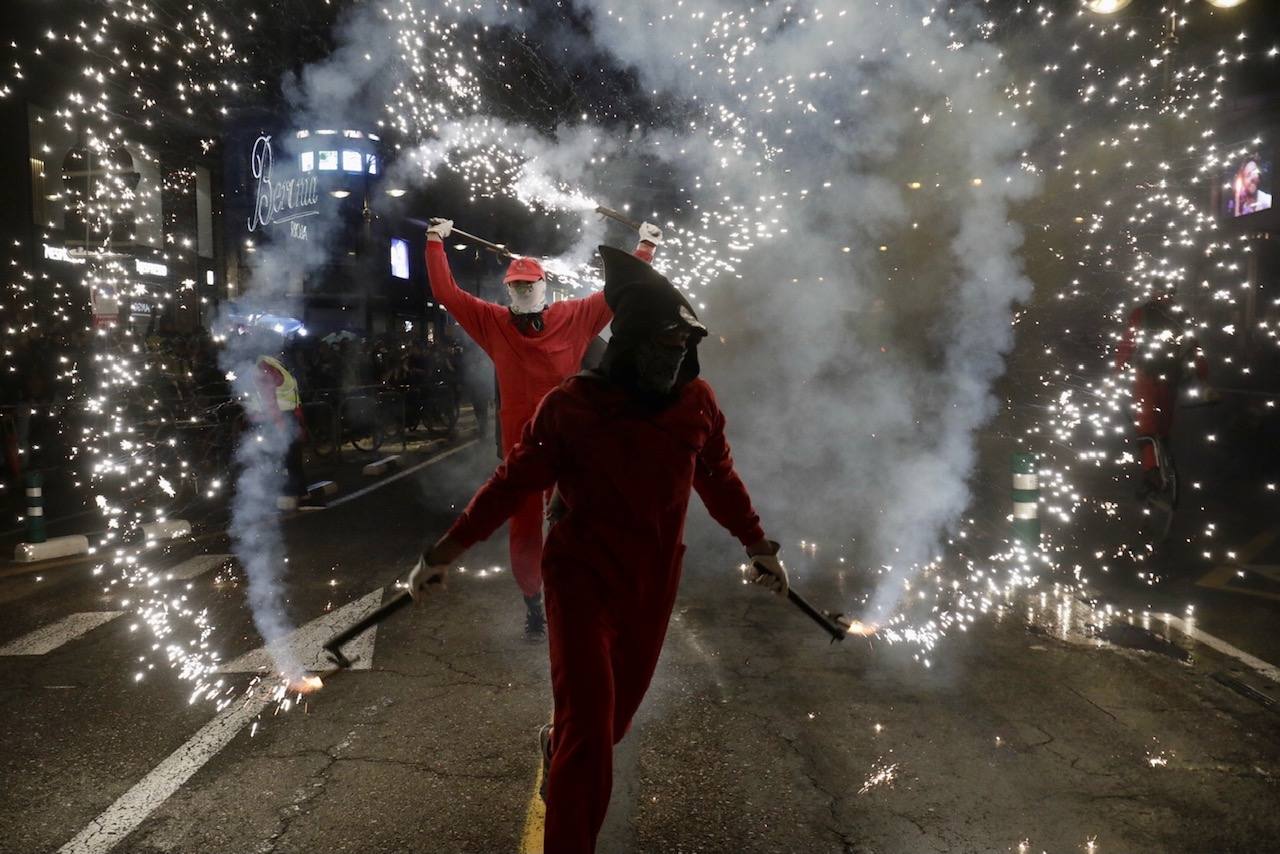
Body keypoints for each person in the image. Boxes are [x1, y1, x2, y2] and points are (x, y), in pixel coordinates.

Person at [408, 245, 788, 854]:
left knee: (609, 726)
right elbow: (511, 484)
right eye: (663, 345)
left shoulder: (697, 403)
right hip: (580, 580)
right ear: (632, 342)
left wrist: (757, 543)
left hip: (652, 583)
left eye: (683, 346)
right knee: (588, 736)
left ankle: (560, 749)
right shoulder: (572, 406)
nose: (676, 357)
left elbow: (719, 477)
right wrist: (445, 551)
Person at [425, 217, 663, 639]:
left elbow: (623, 289)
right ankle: (534, 603)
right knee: (524, 528)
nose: (523, 291)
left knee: (578, 522)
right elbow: (447, 293)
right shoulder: (493, 321)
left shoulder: (575, 315)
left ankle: (580, 597)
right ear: (507, 289)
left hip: (573, 448)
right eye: (516, 286)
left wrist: (645, 248)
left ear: (545, 285)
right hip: (522, 450)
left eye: (529, 285)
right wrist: (434, 244)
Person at [1115, 290, 1208, 498]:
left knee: (1146, 427)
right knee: (1163, 426)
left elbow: (1127, 344)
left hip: (1146, 376)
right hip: (1172, 377)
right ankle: (1166, 467)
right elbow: (1195, 347)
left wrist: (1118, 370)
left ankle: (1153, 475)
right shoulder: (1180, 313)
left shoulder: (1141, 313)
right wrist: (1202, 376)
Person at [252, 347, 320, 510]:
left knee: (291, 458)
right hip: (281, 416)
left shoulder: (273, 364)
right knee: (290, 458)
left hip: (286, 415)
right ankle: (298, 496)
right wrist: (280, 422)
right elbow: (270, 398)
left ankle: (298, 494)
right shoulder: (266, 365)